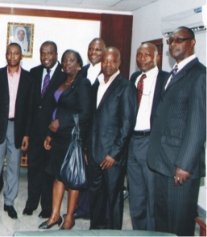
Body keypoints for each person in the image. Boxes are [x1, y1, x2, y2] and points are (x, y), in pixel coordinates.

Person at [147, 26, 206, 236]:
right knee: (162, 219)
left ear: (192, 43)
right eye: (171, 41)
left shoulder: (199, 75)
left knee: (179, 224)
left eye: (180, 40)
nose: (173, 44)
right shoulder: (173, 73)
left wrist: (184, 164)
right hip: (163, 162)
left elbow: (198, 125)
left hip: (180, 166)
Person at [38, 50, 92, 230]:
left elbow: (85, 113)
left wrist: (61, 122)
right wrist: (50, 134)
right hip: (58, 136)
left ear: (78, 64)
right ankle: (54, 216)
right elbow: (56, 110)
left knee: (71, 177)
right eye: (64, 60)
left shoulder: (83, 84)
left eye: (71, 60)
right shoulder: (61, 82)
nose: (67, 63)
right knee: (57, 176)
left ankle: (69, 217)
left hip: (72, 137)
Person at [88, 47, 136, 230]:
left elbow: (127, 125)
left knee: (114, 197)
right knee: (96, 195)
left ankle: (115, 232)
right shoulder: (97, 84)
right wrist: (88, 149)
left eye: (112, 61)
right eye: (105, 60)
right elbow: (92, 119)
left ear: (119, 63)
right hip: (94, 152)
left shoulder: (126, 87)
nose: (108, 64)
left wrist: (113, 154)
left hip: (111, 157)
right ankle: (96, 229)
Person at [0, 42, 34, 219]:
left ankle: (9, 202)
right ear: (6, 55)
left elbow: (29, 108)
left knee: (14, 166)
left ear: (21, 56)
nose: (12, 56)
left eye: (16, 53)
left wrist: (27, 133)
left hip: (17, 127)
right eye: (10, 53)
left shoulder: (29, 78)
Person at [127, 43, 168, 231]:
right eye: (139, 55)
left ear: (157, 58)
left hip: (151, 142)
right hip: (132, 142)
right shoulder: (134, 78)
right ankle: (138, 232)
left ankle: (152, 233)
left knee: (152, 196)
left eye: (147, 55)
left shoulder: (166, 80)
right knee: (136, 195)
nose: (142, 58)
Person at [23, 41, 65, 218]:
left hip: (53, 133)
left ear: (56, 54)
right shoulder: (34, 72)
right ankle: (31, 202)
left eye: (49, 53)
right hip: (34, 131)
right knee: (33, 169)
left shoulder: (64, 75)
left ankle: (47, 207)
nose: (45, 57)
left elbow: (65, 106)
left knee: (49, 172)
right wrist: (26, 132)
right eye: (43, 53)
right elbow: (30, 105)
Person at [74, 38, 106, 220]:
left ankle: (97, 211)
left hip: (100, 130)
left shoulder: (108, 72)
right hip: (82, 128)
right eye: (91, 49)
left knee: (97, 173)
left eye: (98, 49)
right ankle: (83, 207)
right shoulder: (82, 72)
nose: (93, 52)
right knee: (82, 169)